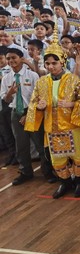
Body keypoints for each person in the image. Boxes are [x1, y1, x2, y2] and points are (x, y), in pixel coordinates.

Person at [24, 33, 80, 198]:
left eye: (54, 63)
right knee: (57, 159)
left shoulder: (73, 80)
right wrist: (39, 107)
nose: (51, 66)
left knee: (78, 156)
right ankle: (65, 182)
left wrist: (71, 104)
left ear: (62, 62)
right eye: (47, 63)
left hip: (71, 125)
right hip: (51, 127)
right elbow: (33, 102)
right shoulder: (41, 82)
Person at [0, 48, 55, 185]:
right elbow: (5, 100)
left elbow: (38, 96)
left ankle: (47, 172)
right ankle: (25, 172)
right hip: (16, 113)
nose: (11, 61)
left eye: (14, 57)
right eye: (8, 58)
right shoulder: (6, 78)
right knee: (21, 145)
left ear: (21, 58)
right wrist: (10, 93)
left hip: (33, 111)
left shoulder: (32, 75)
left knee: (40, 144)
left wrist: (28, 114)